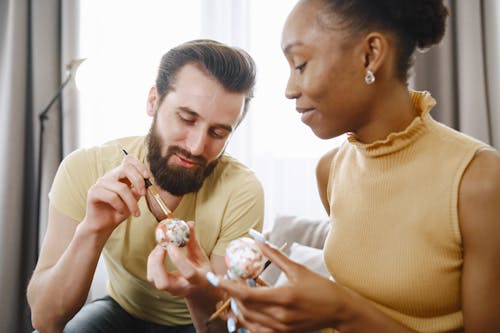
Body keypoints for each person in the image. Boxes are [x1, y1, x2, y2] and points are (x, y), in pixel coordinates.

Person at [207, 0, 500, 332]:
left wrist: (343, 310)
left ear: (370, 54)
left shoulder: (476, 178)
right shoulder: (330, 170)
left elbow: (348, 311)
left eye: (300, 64)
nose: (289, 90)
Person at [27, 39, 264, 333]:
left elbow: (221, 327)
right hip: (121, 311)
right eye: (187, 118)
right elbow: (46, 319)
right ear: (153, 101)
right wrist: (92, 230)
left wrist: (198, 289)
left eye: (217, 133)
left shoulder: (242, 190)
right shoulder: (86, 169)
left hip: (199, 322)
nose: (196, 145)